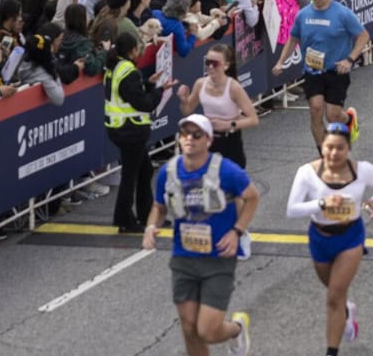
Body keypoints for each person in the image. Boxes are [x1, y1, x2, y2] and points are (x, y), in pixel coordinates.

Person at [141, 115, 258, 356]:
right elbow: (159, 207)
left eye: (196, 135)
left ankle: (236, 329)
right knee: (189, 328)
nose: (189, 140)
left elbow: (252, 197)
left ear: (209, 140)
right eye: (185, 134)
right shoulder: (168, 172)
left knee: (206, 330)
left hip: (218, 258)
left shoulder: (225, 170)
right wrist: (151, 227)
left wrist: (237, 231)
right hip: (184, 257)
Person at [285, 121, 373, 353]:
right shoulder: (307, 173)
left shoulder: (362, 170)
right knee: (334, 292)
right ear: (322, 147)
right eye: (329, 147)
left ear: (348, 149)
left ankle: (331, 351)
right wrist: (321, 203)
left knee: (333, 297)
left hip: (350, 236)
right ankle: (346, 311)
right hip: (320, 238)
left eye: (340, 148)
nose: (334, 153)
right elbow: (291, 209)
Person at [273, 0, 369, 149]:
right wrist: (281, 62)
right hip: (312, 70)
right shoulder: (303, 14)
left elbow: (363, 36)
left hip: (337, 71)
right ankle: (324, 154)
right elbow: (293, 39)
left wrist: (349, 60)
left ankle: (348, 118)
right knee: (316, 110)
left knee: (333, 115)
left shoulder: (342, 13)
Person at [105, 31, 173, 234]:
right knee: (131, 175)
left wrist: (149, 84)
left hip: (120, 128)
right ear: (132, 50)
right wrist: (158, 91)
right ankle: (125, 219)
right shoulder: (128, 71)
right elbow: (144, 103)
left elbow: (129, 94)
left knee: (144, 171)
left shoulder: (115, 67)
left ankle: (145, 215)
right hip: (130, 130)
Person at [181, 44, 259, 168]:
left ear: (226, 65)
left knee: (231, 183)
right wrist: (184, 101)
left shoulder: (233, 87)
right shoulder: (200, 84)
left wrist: (229, 124)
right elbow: (187, 111)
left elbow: (253, 119)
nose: (210, 67)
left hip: (230, 140)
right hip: (207, 139)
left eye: (215, 63)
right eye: (208, 62)